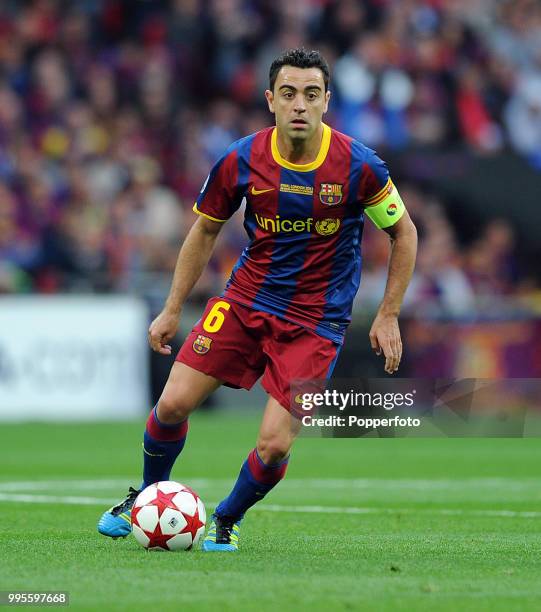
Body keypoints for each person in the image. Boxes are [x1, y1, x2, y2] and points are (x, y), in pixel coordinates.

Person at [97, 48, 417, 551]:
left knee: (273, 445)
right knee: (173, 403)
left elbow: (405, 233)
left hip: (317, 322)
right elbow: (204, 231)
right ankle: (146, 495)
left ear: (326, 102)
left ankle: (225, 518)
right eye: (288, 93)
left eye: (311, 95)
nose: (299, 105)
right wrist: (172, 306)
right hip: (247, 301)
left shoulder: (359, 166)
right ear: (271, 100)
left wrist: (389, 313)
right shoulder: (241, 157)